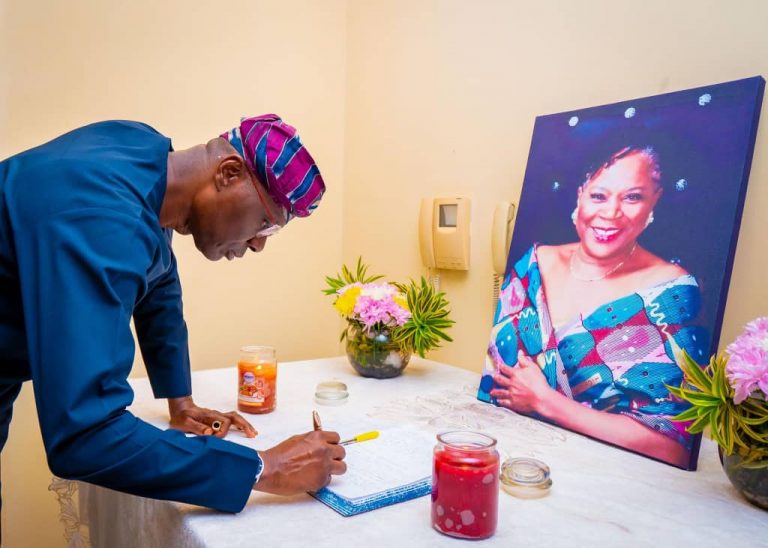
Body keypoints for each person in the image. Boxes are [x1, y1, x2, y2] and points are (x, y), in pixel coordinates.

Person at [0, 114, 346, 514]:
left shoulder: (142, 151)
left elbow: (158, 279)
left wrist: (180, 402)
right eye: (265, 224)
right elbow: (85, 435)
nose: (257, 245)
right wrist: (264, 468)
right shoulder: (102, 220)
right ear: (229, 173)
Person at [478, 145, 709, 468]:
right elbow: (492, 387)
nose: (611, 213)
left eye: (632, 197)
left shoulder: (671, 293)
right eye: (599, 196)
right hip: (506, 455)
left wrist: (546, 401)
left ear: (655, 200)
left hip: (609, 480)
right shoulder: (533, 263)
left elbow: (673, 448)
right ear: (580, 196)